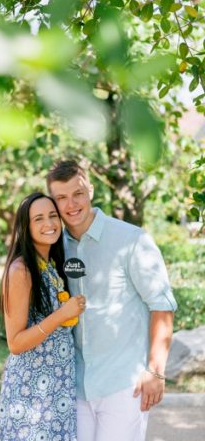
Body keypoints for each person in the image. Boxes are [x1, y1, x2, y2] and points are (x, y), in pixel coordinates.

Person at [47, 160, 177, 441]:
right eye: (61, 198)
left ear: (90, 191)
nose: (71, 204)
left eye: (77, 193)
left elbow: (162, 305)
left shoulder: (131, 240)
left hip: (123, 384)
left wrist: (156, 371)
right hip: (77, 385)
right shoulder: (55, 247)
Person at [0, 192, 86, 441]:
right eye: (39, 219)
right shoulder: (21, 270)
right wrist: (62, 314)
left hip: (57, 390)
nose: (49, 224)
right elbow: (15, 343)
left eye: (52, 215)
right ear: (26, 228)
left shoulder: (51, 266)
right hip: (31, 392)